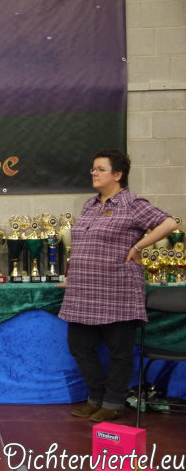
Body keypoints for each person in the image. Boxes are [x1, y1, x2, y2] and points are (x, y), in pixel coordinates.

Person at [59, 149, 177, 423]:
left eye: (100, 169)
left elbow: (169, 223)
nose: (94, 173)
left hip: (118, 289)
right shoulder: (90, 204)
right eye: (93, 169)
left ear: (117, 174)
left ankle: (112, 403)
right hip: (83, 291)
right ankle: (95, 397)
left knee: (119, 351)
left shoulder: (132, 203)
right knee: (78, 345)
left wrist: (138, 246)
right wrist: (74, 277)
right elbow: (85, 245)